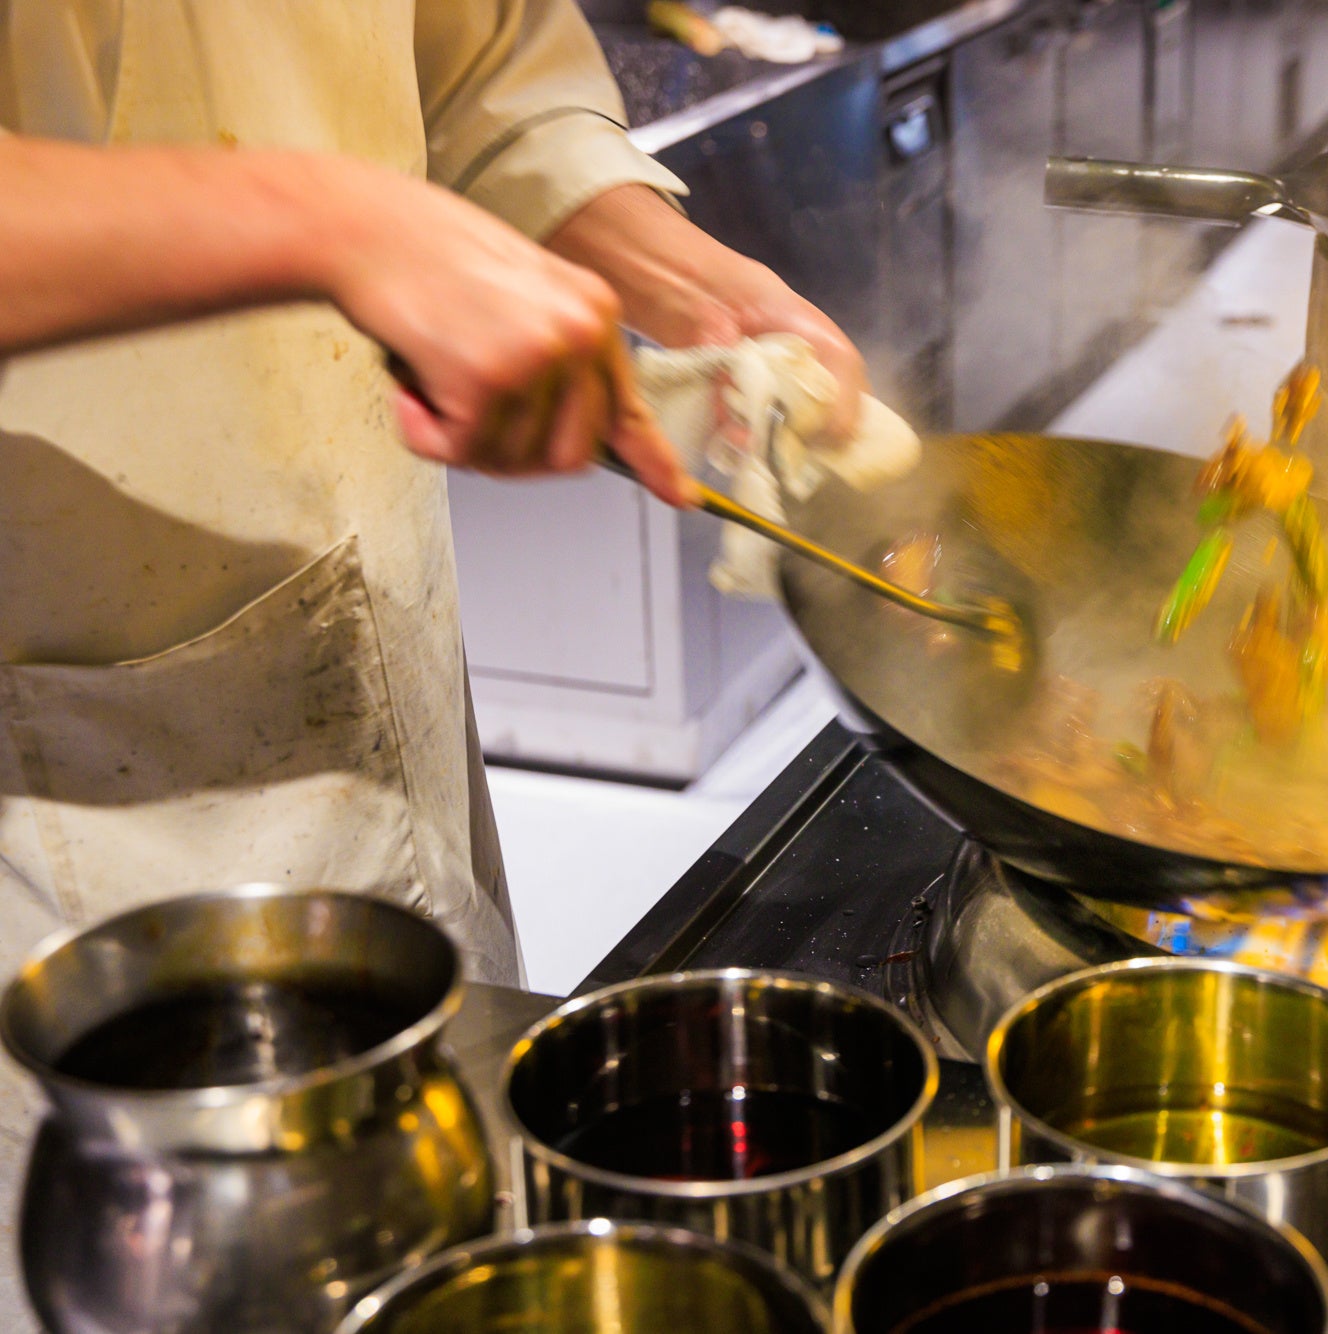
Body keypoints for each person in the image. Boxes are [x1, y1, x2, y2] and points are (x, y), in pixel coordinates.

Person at [0, 1, 865, 1315]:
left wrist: (681, 280)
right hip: (60, 743)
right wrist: (335, 220)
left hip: (361, 612)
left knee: (433, 1229)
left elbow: (475, 51)